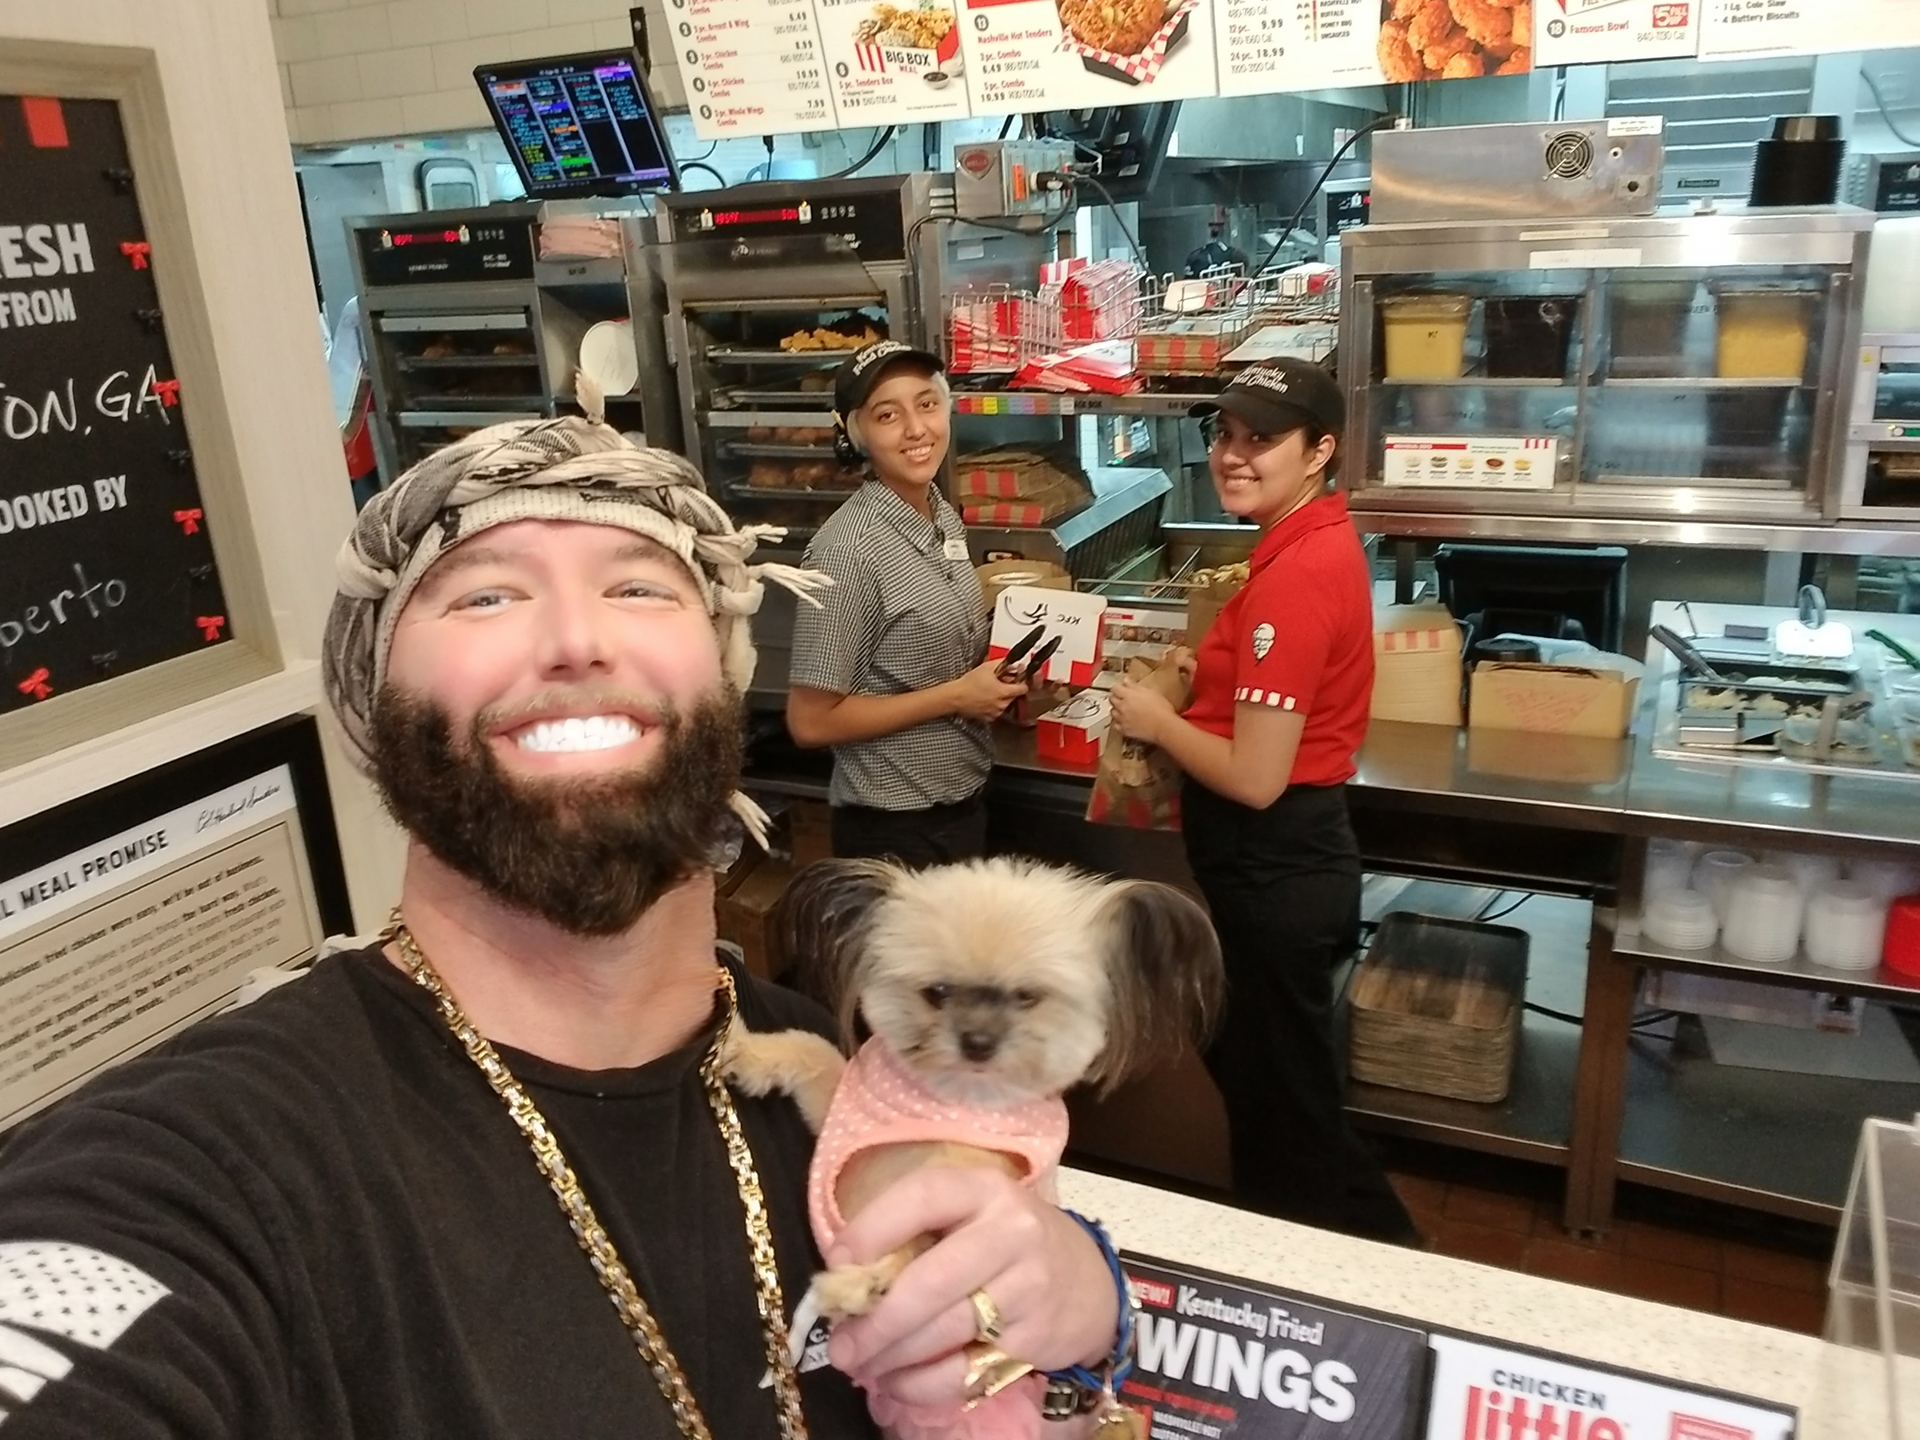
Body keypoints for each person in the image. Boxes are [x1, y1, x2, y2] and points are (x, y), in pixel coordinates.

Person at [0, 405, 1128, 1435]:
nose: (576, 638)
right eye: (485, 594)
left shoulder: (838, 1064)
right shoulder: (209, 1154)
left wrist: (1091, 1314)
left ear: (723, 671)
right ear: (375, 703)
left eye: (639, 587)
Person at [1108, 359, 1417, 1245]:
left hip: (1274, 862)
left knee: (1285, 1128)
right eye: (1226, 434)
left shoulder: (1294, 574)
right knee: (1283, 1097)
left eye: (1264, 439)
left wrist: (1159, 722)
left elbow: (1255, 775)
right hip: (1282, 862)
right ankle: (1396, 1263)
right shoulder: (1307, 538)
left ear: (1320, 451)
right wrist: (1204, 674)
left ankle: (1322, 1279)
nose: (1234, 455)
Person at [786, 341, 1026, 865]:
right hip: (893, 832)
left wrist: (1000, 682)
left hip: (962, 808)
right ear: (857, 434)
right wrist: (957, 696)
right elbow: (810, 723)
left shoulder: (940, 515)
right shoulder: (847, 550)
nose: (917, 429)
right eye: (888, 415)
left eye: (927, 404)